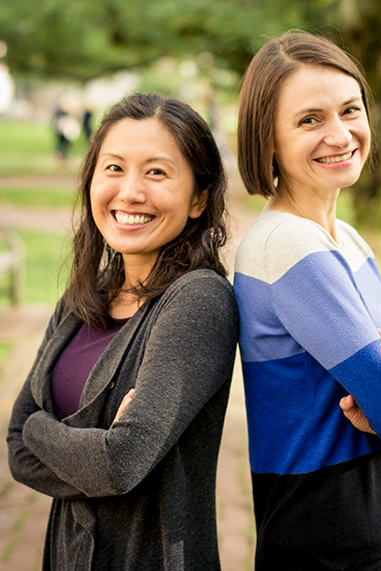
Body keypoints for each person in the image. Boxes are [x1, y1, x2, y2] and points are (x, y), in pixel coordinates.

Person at [233, 31, 381, 571]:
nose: (340, 134)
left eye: (350, 110)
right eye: (309, 120)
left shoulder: (344, 238)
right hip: (332, 536)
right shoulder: (287, 246)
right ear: (268, 139)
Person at [7, 92, 239, 571]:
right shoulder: (83, 298)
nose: (130, 192)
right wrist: (82, 447)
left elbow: (119, 463)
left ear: (198, 198)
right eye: (114, 168)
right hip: (68, 555)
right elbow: (14, 448)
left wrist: (40, 429)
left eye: (156, 172)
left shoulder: (198, 301)